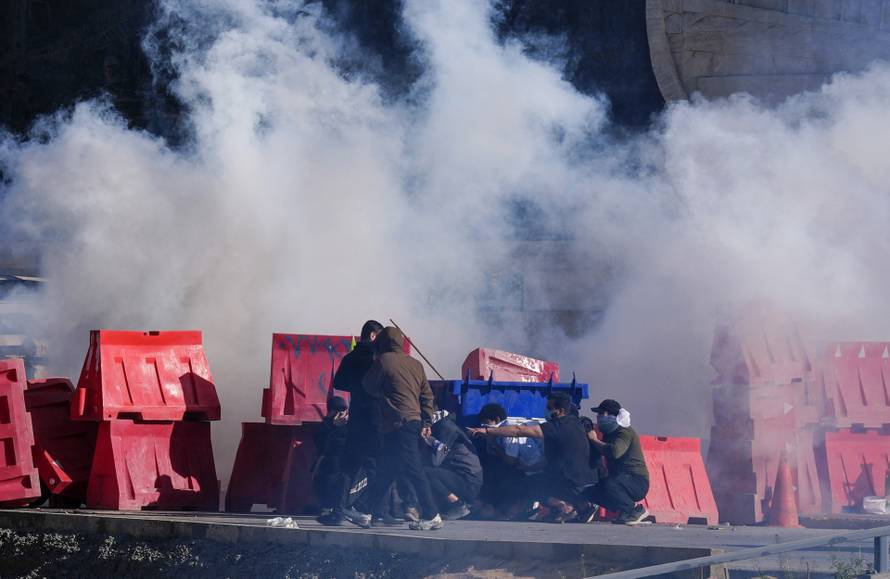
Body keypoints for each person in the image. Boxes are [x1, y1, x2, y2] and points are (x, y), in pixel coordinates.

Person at [360, 326, 444, 530]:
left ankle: (432, 514)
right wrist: (427, 421)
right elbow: (427, 396)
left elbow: (368, 386)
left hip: (397, 423)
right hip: (412, 421)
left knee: (413, 468)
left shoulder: (383, 361)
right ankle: (367, 511)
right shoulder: (416, 364)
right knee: (388, 468)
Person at [468, 392, 598, 523]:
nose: (546, 410)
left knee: (528, 485)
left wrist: (487, 431)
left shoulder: (557, 427)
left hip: (571, 479)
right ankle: (582, 506)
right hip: (587, 476)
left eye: (549, 408)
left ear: (560, 411)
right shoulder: (575, 423)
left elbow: (519, 431)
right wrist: (529, 467)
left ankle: (566, 507)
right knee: (544, 477)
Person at [317, 320, 383, 527]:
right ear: (373, 335)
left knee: (349, 465)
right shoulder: (378, 357)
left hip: (357, 418)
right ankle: (369, 510)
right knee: (374, 464)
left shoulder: (351, 357)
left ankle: (339, 510)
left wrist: (357, 385)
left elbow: (339, 383)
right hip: (376, 418)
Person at [585, 399, 650, 525]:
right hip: (621, 480)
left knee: (610, 485)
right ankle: (623, 510)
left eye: (600, 414)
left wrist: (594, 440)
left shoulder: (624, 432)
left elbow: (615, 452)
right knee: (592, 491)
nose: (598, 418)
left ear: (609, 415)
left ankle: (635, 509)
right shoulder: (609, 434)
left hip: (636, 481)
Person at [423, 412, 483, 520]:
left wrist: (428, 440)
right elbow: (446, 449)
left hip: (468, 480)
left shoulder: (446, 428)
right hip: (467, 478)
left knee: (425, 472)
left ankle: (458, 504)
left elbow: (439, 456)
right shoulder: (448, 427)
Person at [313, 396, 349, 516]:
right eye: (337, 410)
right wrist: (333, 426)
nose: (341, 413)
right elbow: (321, 444)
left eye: (343, 410)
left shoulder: (348, 425)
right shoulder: (324, 426)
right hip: (329, 460)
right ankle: (327, 507)